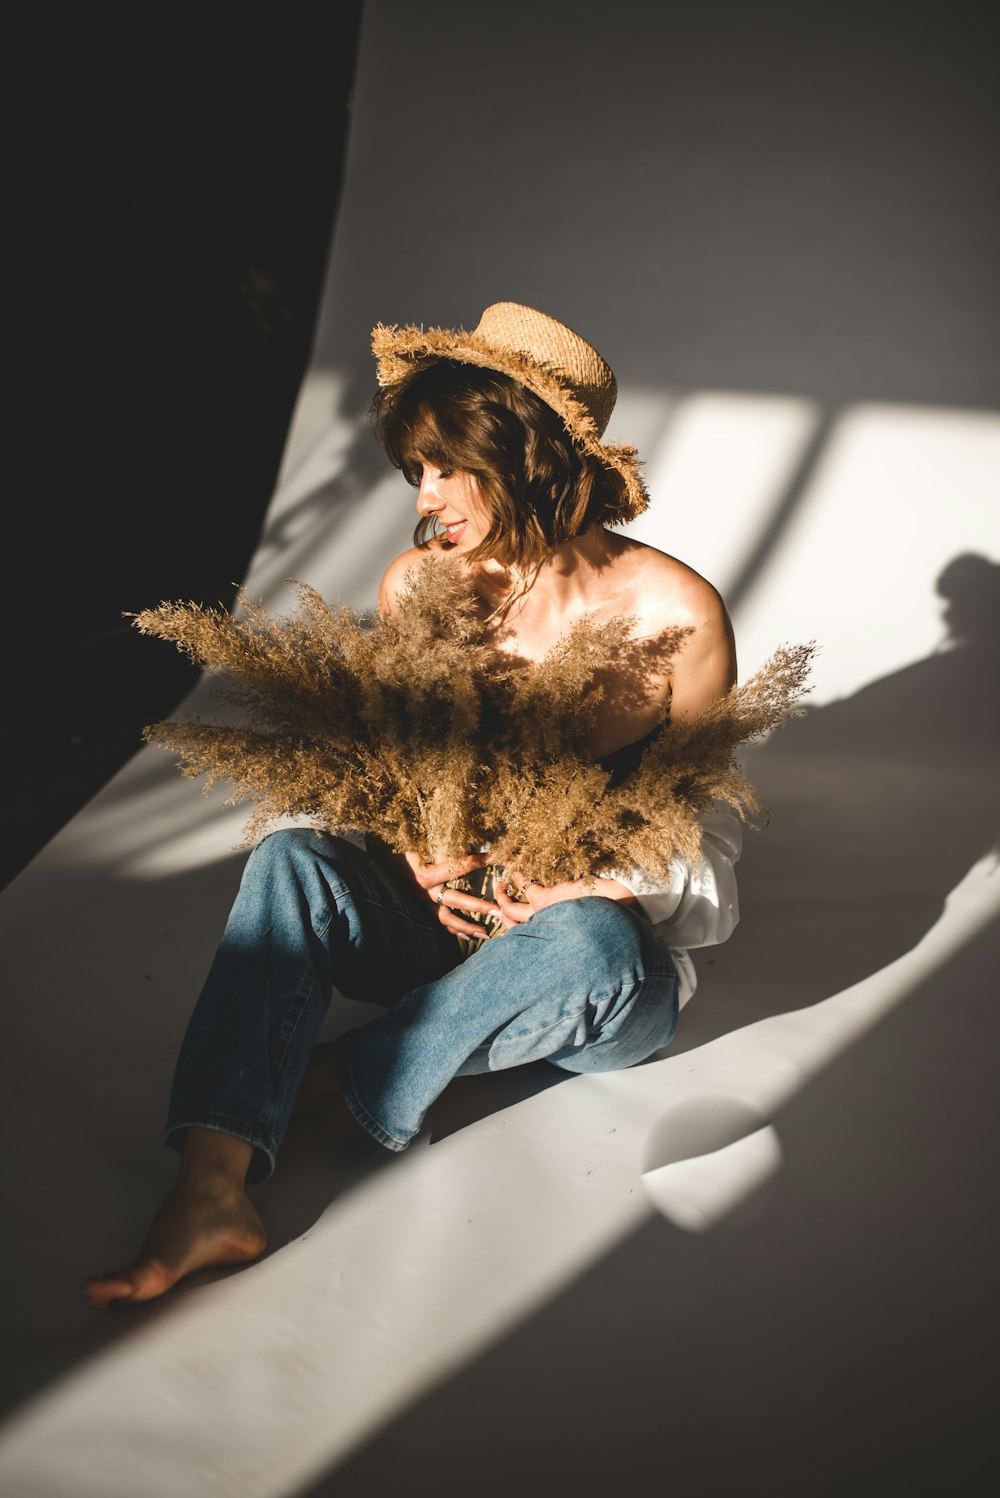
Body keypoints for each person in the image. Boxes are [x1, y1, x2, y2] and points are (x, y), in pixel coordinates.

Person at [85, 302, 741, 1309]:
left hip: (588, 975)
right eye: (416, 471)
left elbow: (711, 842)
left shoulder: (678, 613)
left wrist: (591, 884)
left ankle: (319, 1082)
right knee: (294, 858)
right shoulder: (420, 586)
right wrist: (406, 846)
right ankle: (211, 1188)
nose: (425, 497)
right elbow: (398, 775)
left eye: (444, 466)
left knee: (592, 944)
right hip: (442, 934)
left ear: (518, 452)